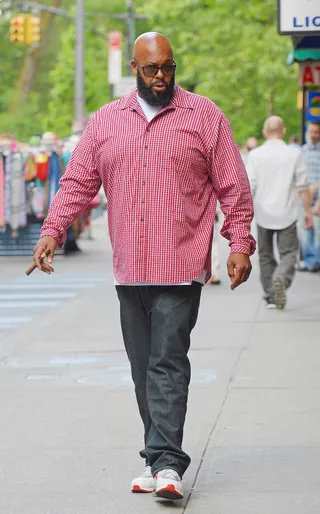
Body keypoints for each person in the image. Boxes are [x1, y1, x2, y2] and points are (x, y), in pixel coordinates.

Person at [32, 32, 255, 501]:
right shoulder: (106, 121)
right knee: (141, 367)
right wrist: (52, 230)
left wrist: (240, 242)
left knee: (167, 361)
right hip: (130, 266)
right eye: (152, 69)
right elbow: (78, 181)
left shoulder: (205, 116)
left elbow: (233, 186)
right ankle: (156, 458)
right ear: (134, 67)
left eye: (168, 67)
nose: (161, 77)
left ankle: (168, 463)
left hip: (181, 262)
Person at [246, 116, 312, 310]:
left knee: (265, 256)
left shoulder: (255, 155)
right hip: (288, 213)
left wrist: (245, 214)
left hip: (263, 213)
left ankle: (270, 296)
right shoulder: (294, 154)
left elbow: (250, 186)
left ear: (265, 132)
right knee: (290, 253)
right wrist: (307, 211)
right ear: (283, 131)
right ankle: (281, 278)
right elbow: (303, 186)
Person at [297, 122, 320, 272]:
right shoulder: (302, 151)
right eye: (311, 131)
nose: (313, 135)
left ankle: (316, 260)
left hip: (318, 196)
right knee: (306, 229)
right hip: (305, 196)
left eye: (316, 132)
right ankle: (310, 261)